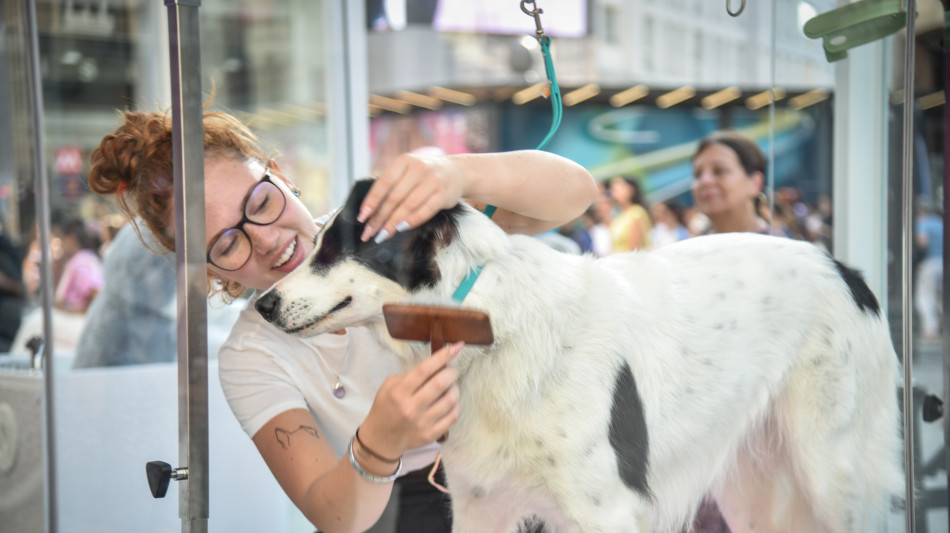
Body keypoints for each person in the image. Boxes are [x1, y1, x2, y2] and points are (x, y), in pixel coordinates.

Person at [88, 109, 597, 533]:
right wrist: (380, 439)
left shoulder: (383, 224)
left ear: (281, 175)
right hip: (403, 510)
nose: (263, 240)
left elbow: (575, 193)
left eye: (260, 203)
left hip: (532, 465)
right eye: (226, 243)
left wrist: (459, 173)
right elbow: (332, 513)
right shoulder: (252, 356)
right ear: (208, 268)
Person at [691, 131, 778, 237]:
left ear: (755, 183)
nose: (704, 181)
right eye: (698, 174)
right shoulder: (691, 249)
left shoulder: (778, 249)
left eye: (720, 170)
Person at [52, 217, 104, 314]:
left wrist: (73, 311)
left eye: (62, 240)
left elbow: (94, 292)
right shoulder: (90, 258)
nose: (60, 246)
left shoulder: (79, 263)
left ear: (71, 238)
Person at [914, 201, 943, 343]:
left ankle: (930, 331)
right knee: (936, 297)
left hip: (929, 263)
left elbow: (922, 242)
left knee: (923, 297)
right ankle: (936, 327)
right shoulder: (939, 222)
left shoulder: (922, 222)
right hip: (943, 262)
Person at [607, 174, 652, 252]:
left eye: (619, 186)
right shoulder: (617, 217)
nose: (614, 191)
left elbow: (635, 249)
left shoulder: (636, 213)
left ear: (631, 189)